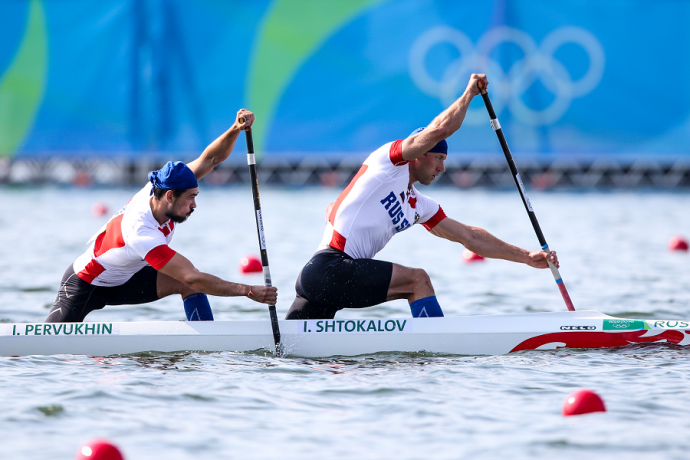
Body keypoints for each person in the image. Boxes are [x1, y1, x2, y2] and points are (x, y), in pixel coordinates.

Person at [285, 74, 559, 320]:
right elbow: (439, 130)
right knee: (418, 280)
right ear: (419, 154)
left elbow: (470, 237)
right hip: (330, 267)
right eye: (438, 158)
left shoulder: (419, 205)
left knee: (292, 354)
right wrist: (469, 95)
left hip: (325, 279)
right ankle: (436, 347)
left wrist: (526, 256)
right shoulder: (388, 163)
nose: (442, 167)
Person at [47, 109, 277, 323]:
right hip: (85, 283)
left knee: (188, 283)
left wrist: (235, 128)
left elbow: (210, 160)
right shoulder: (141, 230)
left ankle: (206, 340)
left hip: (127, 278)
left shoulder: (162, 186)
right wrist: (248, 291)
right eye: (190, 198)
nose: (194, 204)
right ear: (169, 196)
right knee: (48, 346)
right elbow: (192, 276)